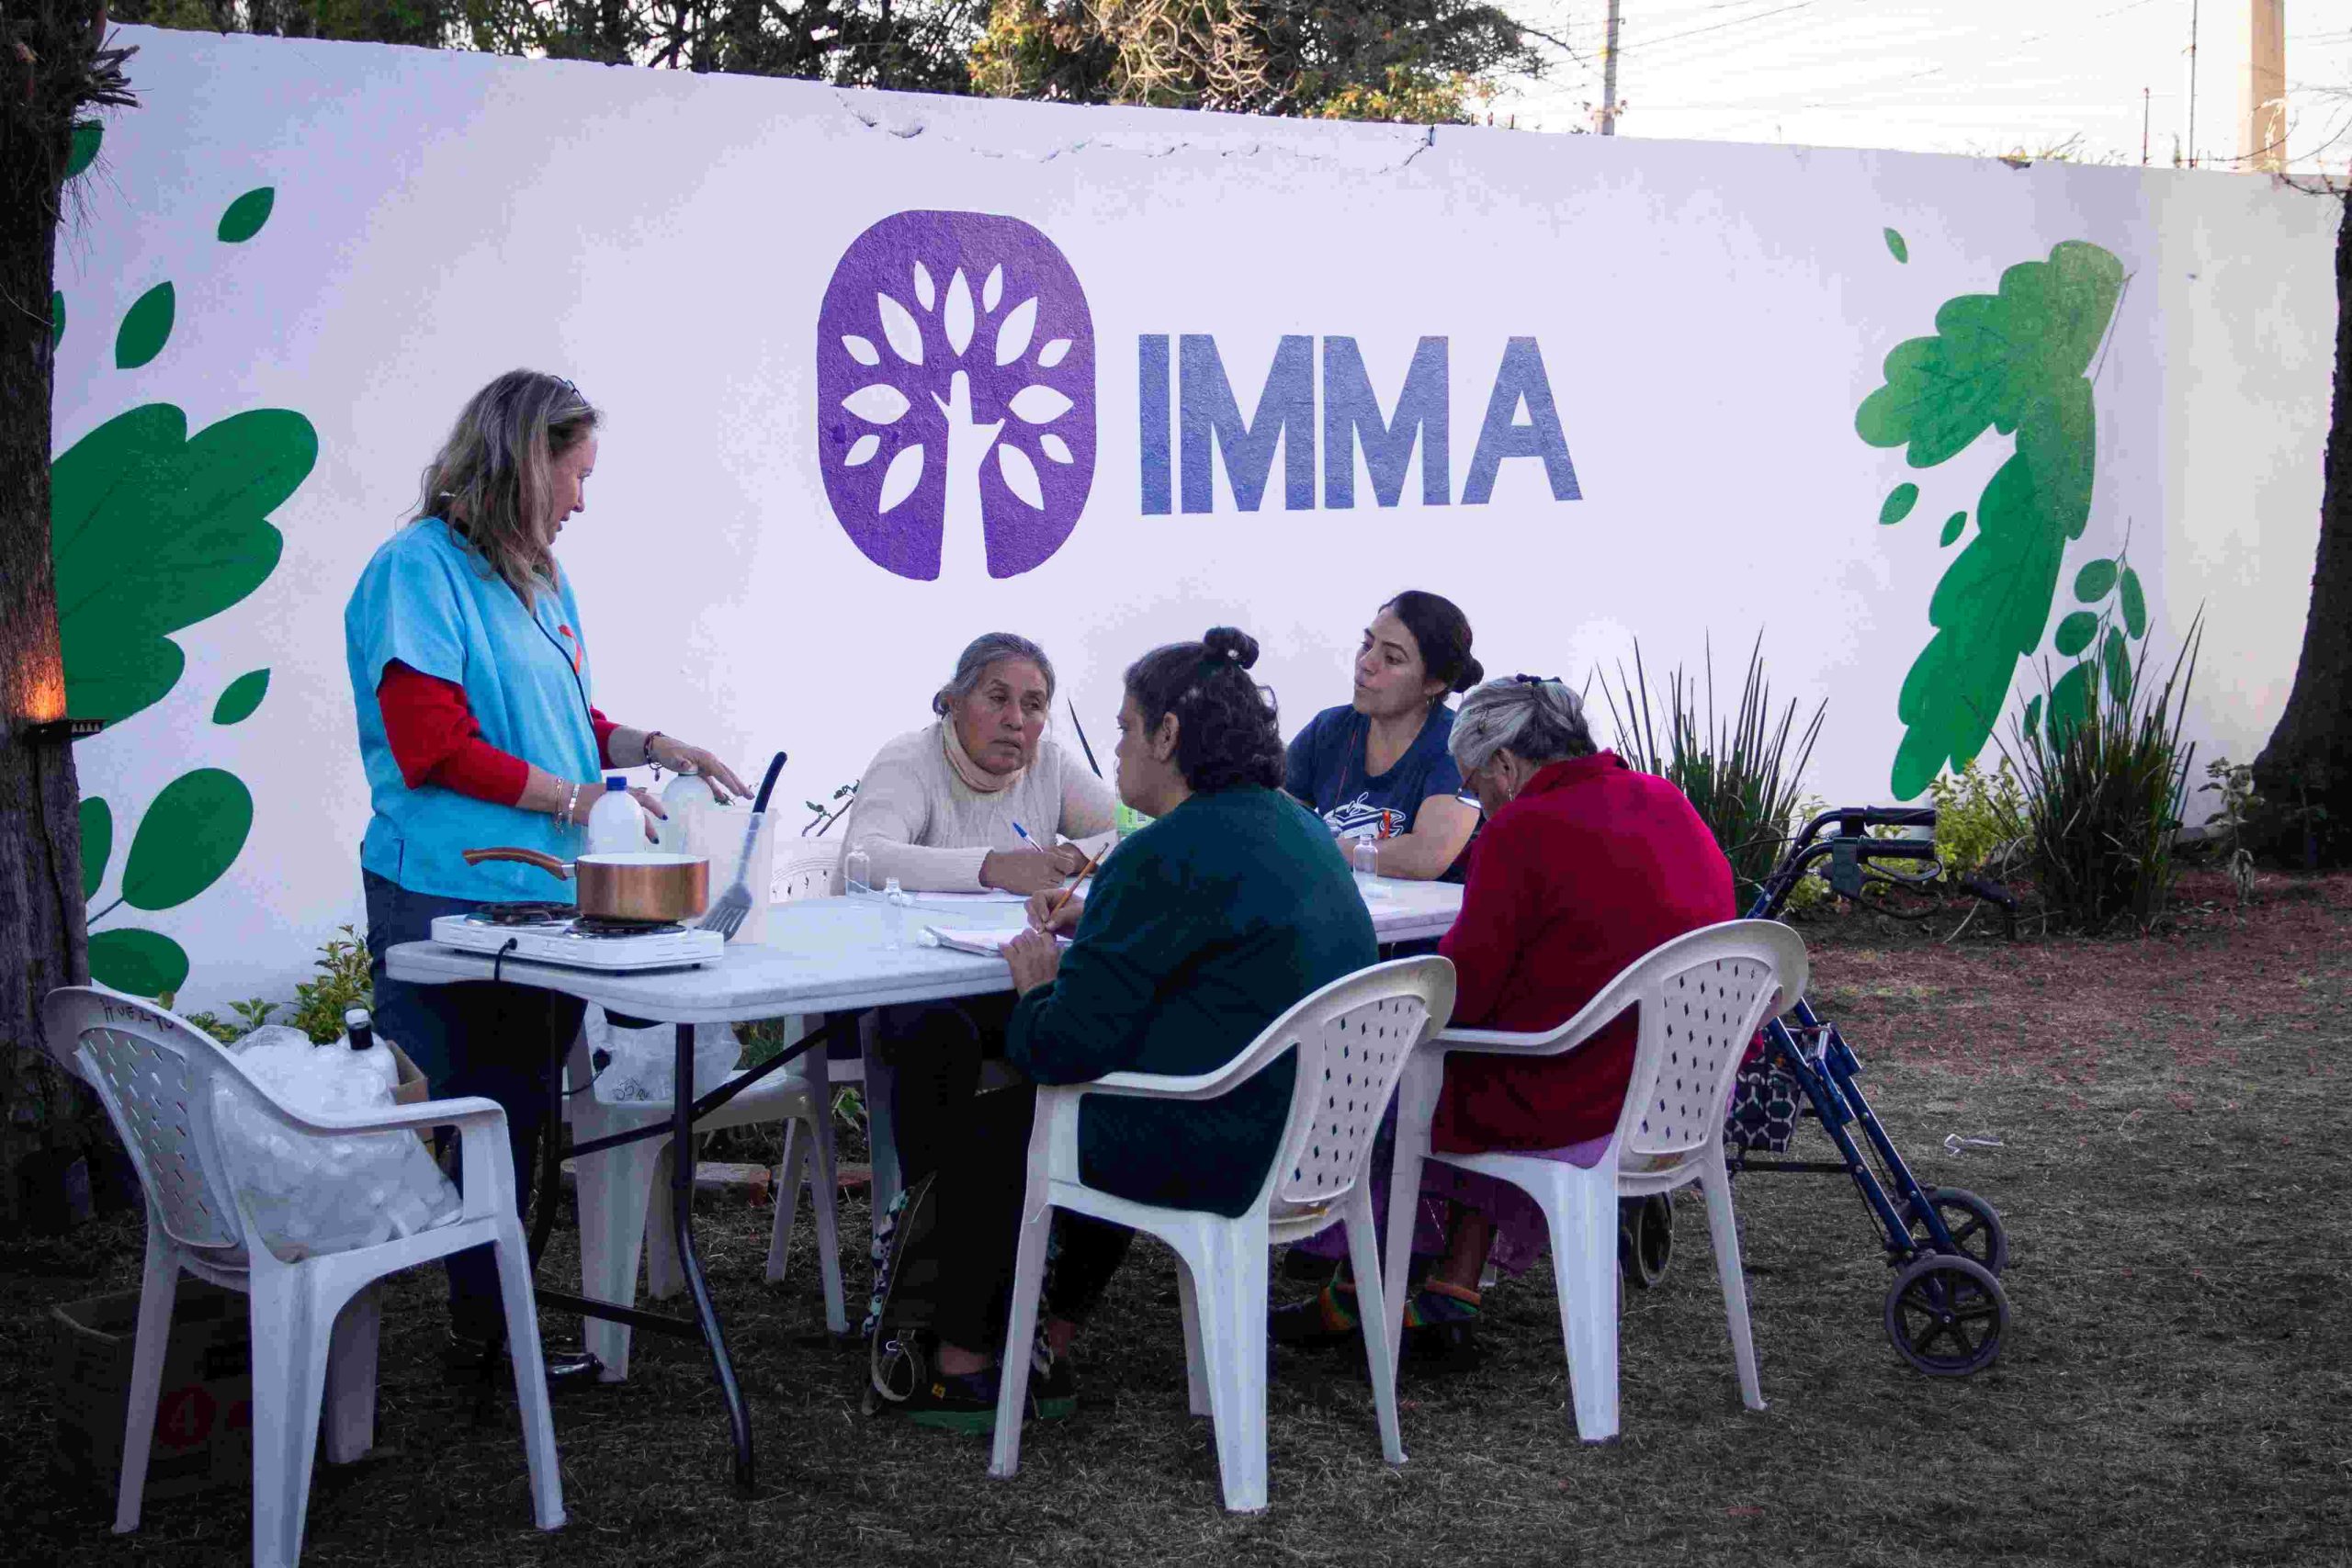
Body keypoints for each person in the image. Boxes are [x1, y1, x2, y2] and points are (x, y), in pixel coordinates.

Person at [345, 369, 749, 1382]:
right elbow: (434, 745)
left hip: (539, 896)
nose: (581, 502)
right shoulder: (416, 572)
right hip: (445, 892)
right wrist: (577, 803)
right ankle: (464, 1332)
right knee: (468, 1114)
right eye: (575, 477)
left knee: (521, 1113)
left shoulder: (540, 581)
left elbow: (566, 730)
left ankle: (495, 1333)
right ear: (526, 464)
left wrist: (655, 746)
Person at [888, 627, 1378, 1431]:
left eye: (1123, 727)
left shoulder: (1160, 856)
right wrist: (1104, 920)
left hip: (1220, 1147)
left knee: (999, 1124)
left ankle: (965, 1364)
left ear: (1169, 735)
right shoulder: (1297, 828)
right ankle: (1049, 1335)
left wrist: (1037, 987)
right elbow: (1207, 943)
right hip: (1318, 1145)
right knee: (1084, 1107)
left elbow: (1060, 1049)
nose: (1115, 748)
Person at [1274, 675, 1735, 1362]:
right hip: (1683, 1091)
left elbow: (1465, 987)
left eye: (1475, 784)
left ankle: (1355, 1282)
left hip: (1584, 1100)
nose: (1480, 805)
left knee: (1391, 1068)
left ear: (1506, 767)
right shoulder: (1665, 800)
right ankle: (1451, 1289)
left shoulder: (1525, 828)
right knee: (1479, 1062)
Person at [837, 634, 1120, 1185]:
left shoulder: (1049, 766)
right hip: (895, 986)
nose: (1016, 719)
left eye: (1033, 705)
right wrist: (990, 866)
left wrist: (1072, 855)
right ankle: (925, 1224)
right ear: (952, 701)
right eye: (997, 698)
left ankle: (1036, 1207)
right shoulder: (910, 759)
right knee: (941, 1038)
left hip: (992, 975)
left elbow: (1133, 831)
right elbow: (863, 855)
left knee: (1076, 1014)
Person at [1284, 591, 1484, 881]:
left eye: (1391, 658)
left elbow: (1426, 856)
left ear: (1434, 682)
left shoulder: (1456, 744)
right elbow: (1275, 822)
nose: (1366, 662)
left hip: (1425, 923)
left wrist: (1314, 847)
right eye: (1366, 644)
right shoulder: (1327, 728)